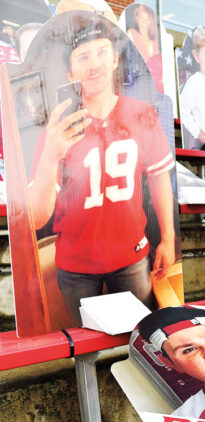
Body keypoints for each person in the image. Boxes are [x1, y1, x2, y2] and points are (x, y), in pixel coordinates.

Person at [28, 18, 176, 324]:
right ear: (70, 73)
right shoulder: (58, 130)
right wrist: (50, 156)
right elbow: (36, 217)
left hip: (132, 255)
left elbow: (159, 176)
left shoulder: (141, 113)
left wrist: (169, 237)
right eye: (83, 56)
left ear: (114, 59)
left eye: (101, 52)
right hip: (75, 265)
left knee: (142, 334)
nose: (94, 64)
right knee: (87, 348)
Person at [125, 4, 163, 94]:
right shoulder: (132, 34)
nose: (144, 21)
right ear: (136, 18)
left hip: (156, 89)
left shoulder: (155, 42)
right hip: (138, 87)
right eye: (141, 17)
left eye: (147, 18)